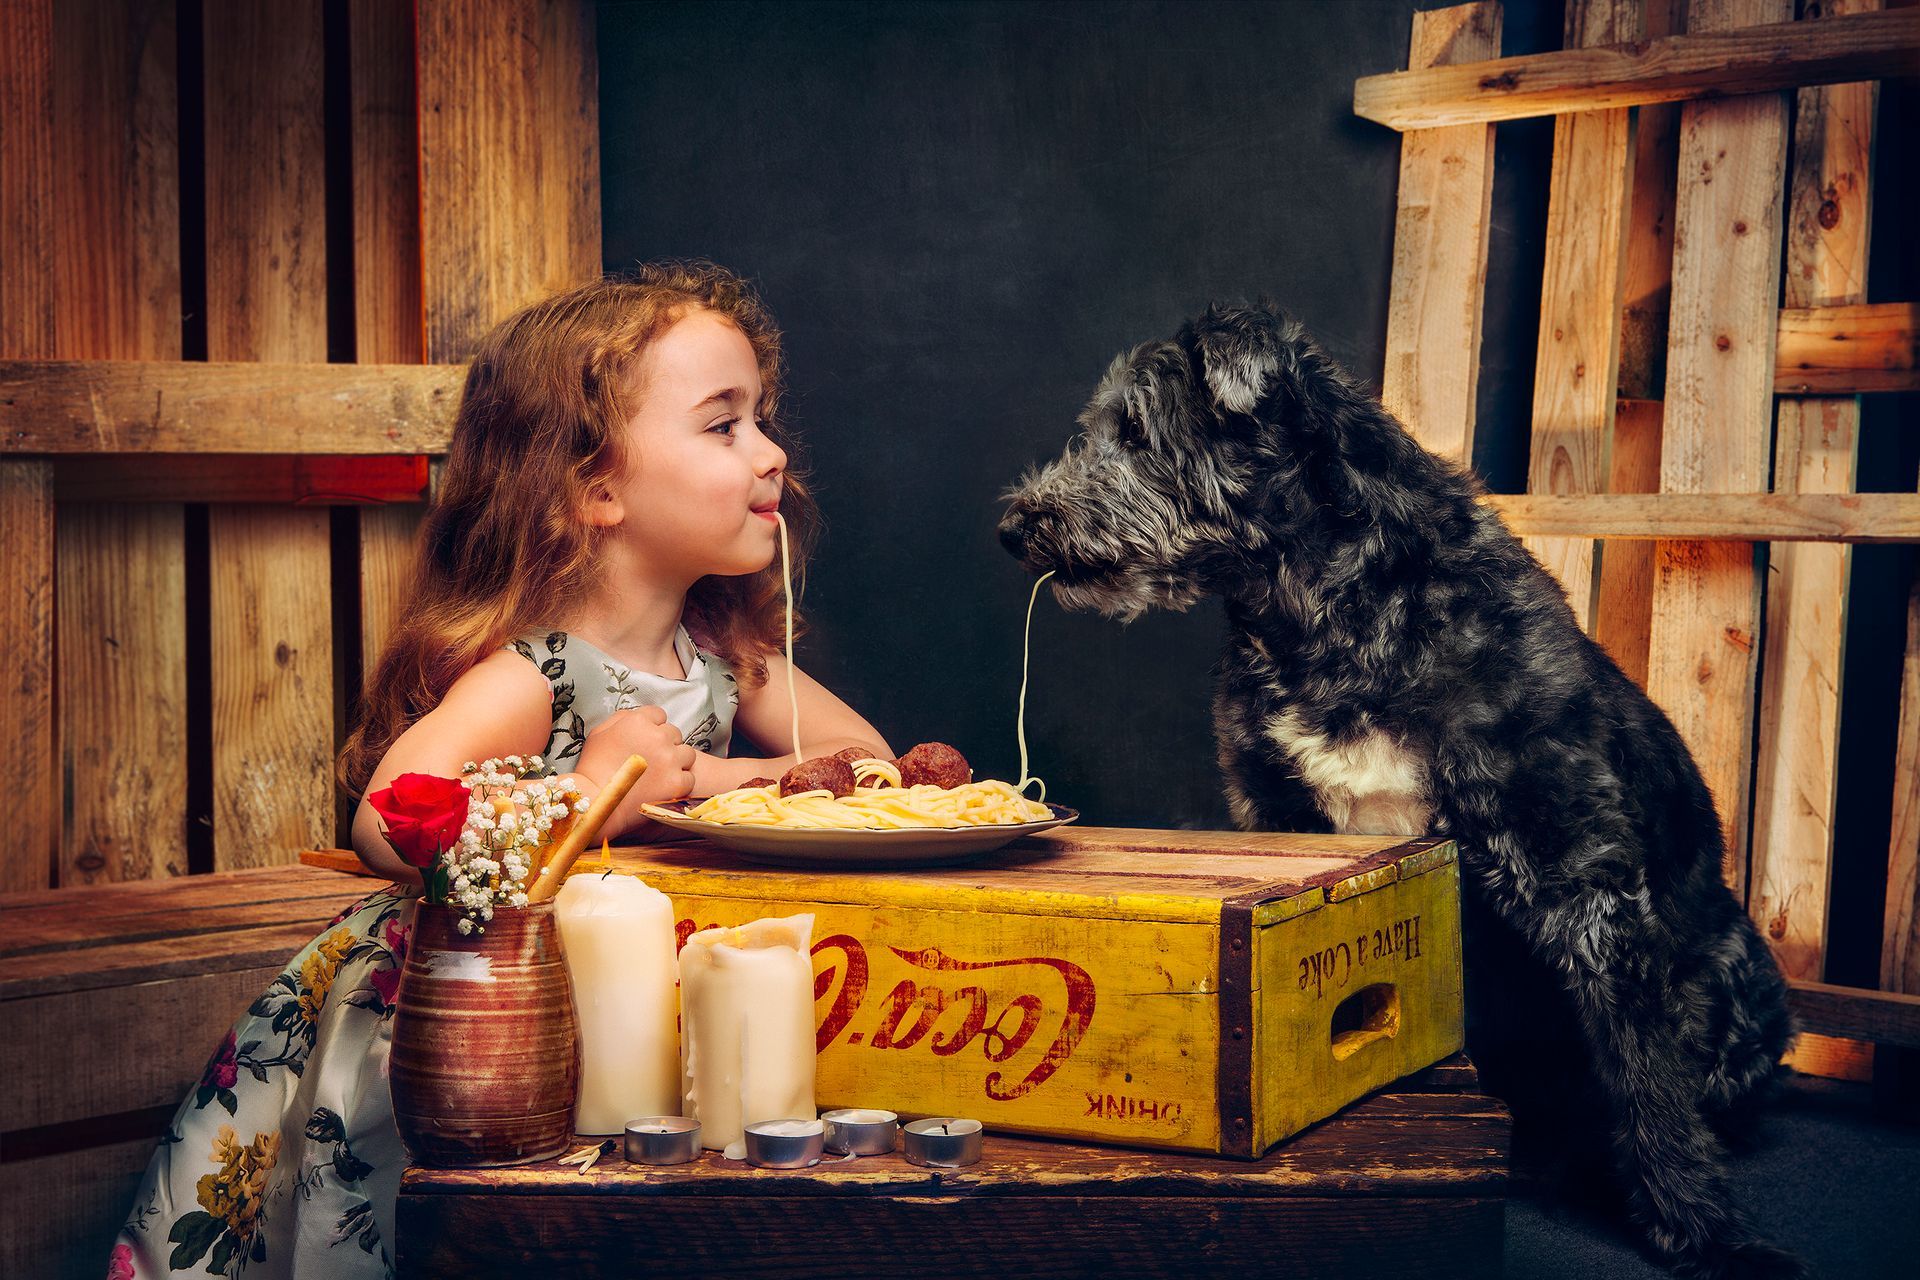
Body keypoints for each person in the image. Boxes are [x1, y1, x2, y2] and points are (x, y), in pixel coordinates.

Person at [110, 263, 892, 1279]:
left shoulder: (726, 664)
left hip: (611, 1025)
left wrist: (692, 772)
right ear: (595, 487)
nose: (772, 452)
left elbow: (870, 765)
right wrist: (585, 792)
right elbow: (387, 818)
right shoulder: (539, 673)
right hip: (463, 1015)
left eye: (762, 419)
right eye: (724, 424)